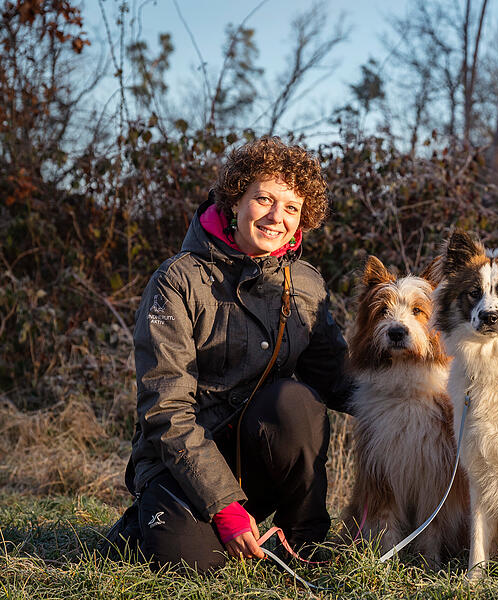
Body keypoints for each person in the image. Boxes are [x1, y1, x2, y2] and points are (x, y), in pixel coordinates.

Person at [104, 136, 351, 573]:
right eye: (264, 199)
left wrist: (426, 393)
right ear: (236, 199)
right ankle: (144, 524)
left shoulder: (307, 284)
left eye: (291, 208)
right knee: (195, 564)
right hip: (182, 465)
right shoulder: (177, 281)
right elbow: (167, 410)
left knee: (297, 401)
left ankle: (303, 542)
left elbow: (338, 381)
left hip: (256, 458)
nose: (277, 217)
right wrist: (224, 508)